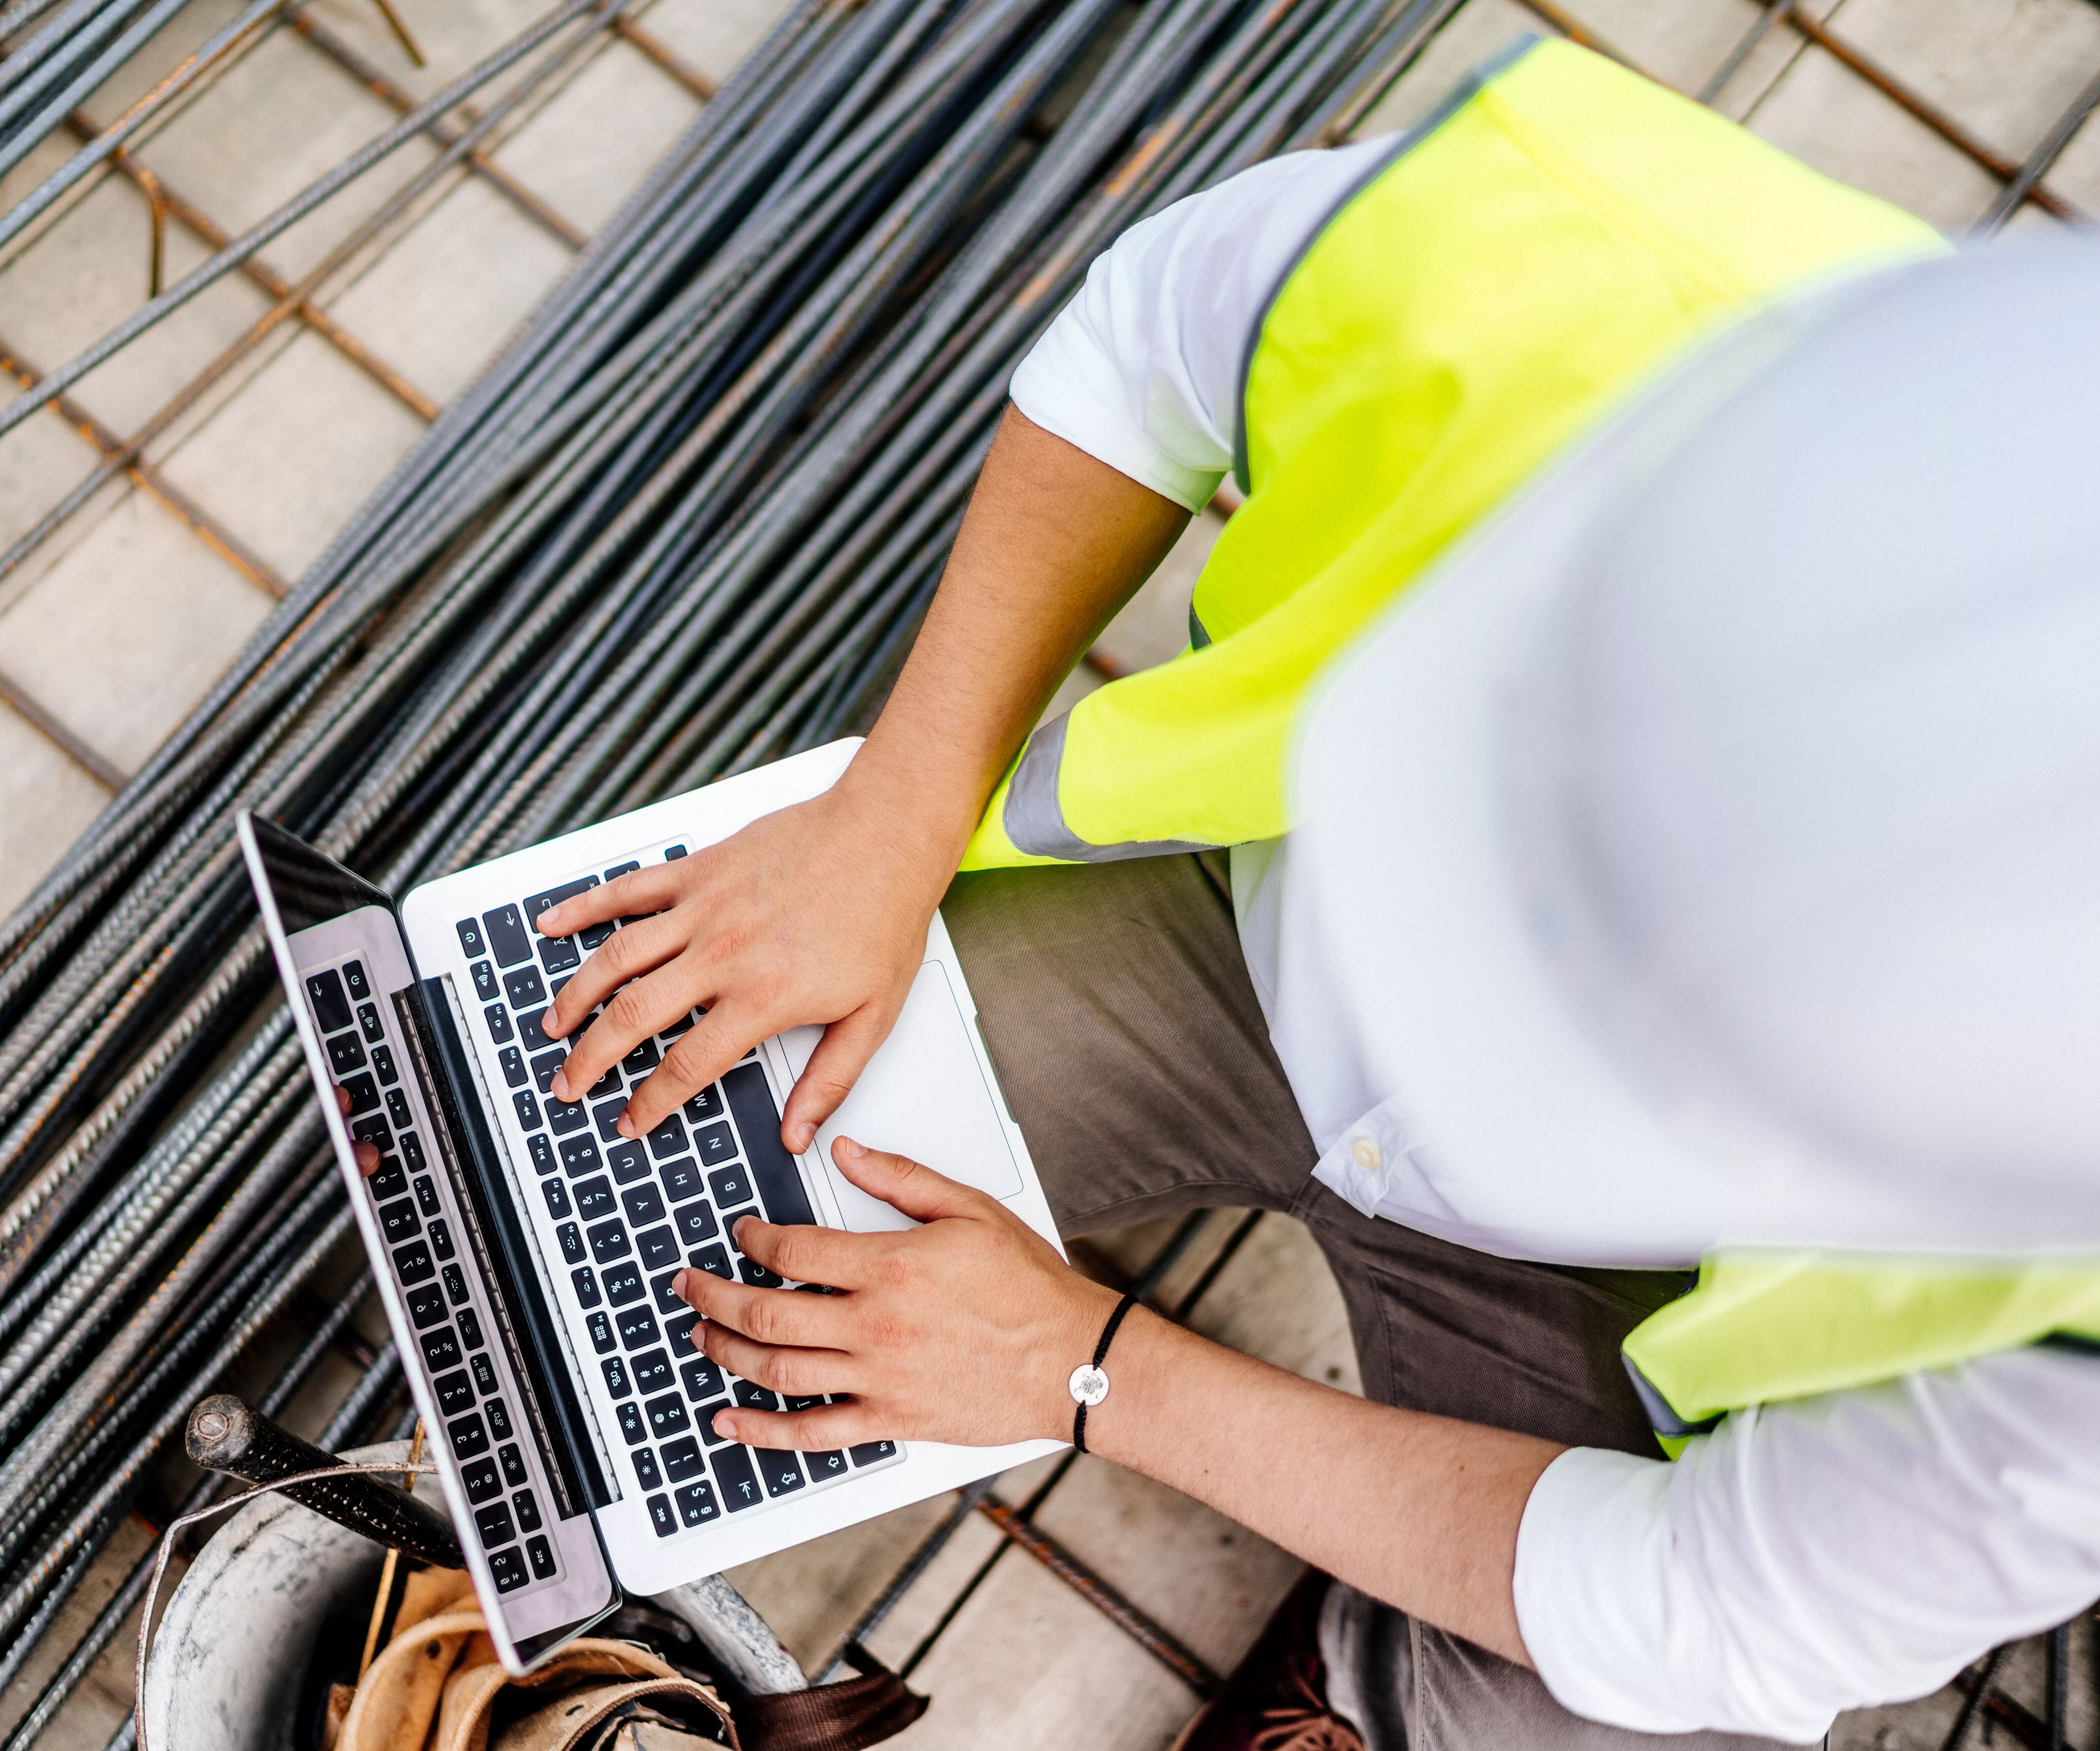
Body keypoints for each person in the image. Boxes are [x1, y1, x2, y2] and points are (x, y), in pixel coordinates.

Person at [521, 38, 2100, 1749]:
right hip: (1237, 927)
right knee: (650, 1111)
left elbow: (1707, 1608)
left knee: (1601, 1723)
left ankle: (1364, 1679)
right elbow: (1152, 347)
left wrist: (1090, 1369)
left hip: (1637, 1302)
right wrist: (894, 813)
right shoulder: (1605, 266)